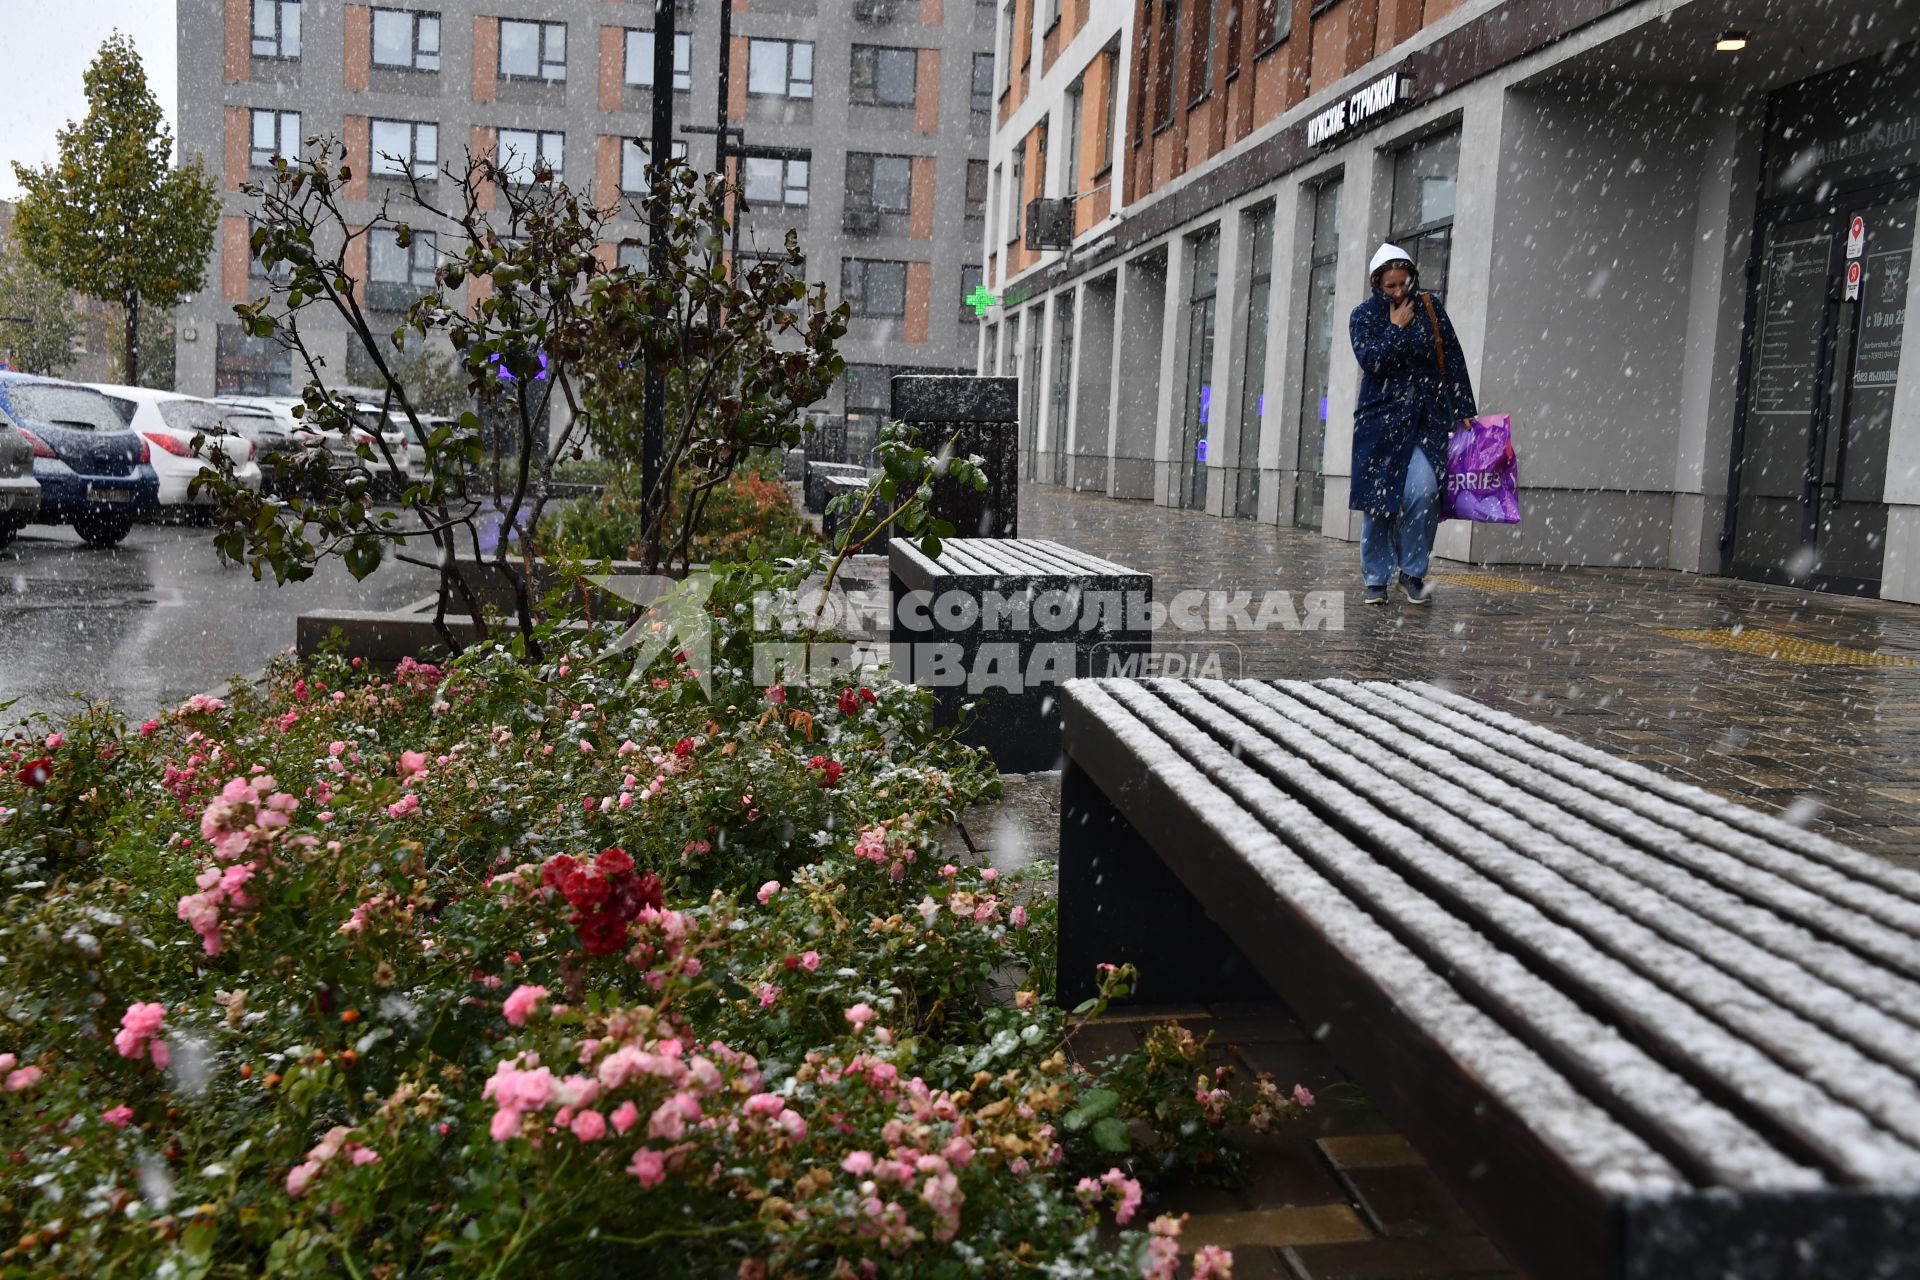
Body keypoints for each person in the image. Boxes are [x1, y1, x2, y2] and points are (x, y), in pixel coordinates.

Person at [1348, 243, 1476, 605]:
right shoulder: (1364, 316)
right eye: (1390, 286)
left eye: (1403, 282)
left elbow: (1451, 356)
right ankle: (1376, 578)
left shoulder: (1431, 308)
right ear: (1377, 283)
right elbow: (1372, 362)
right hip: (1380, 422)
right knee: (1379, 505)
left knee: (1424, 493)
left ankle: (1412, 572)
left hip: (1425, 420)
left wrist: (1463, 406)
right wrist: (1395, 329)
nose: (1399, 291)